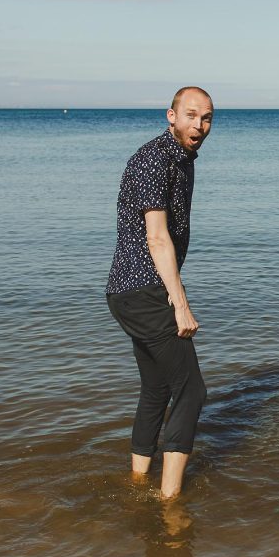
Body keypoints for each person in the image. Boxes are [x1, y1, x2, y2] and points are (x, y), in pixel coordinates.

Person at [105, 86, 213, 499]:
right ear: (170, 116)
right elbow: (156, 238)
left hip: (129, 291)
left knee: (156, 388)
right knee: (192, 390)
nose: (198, 125)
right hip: (144, 291)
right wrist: (180, 305)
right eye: (190, 115)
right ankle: (169, 501)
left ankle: (137, 482)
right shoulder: (156, 158)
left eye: (206, 118)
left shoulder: (182, 158)